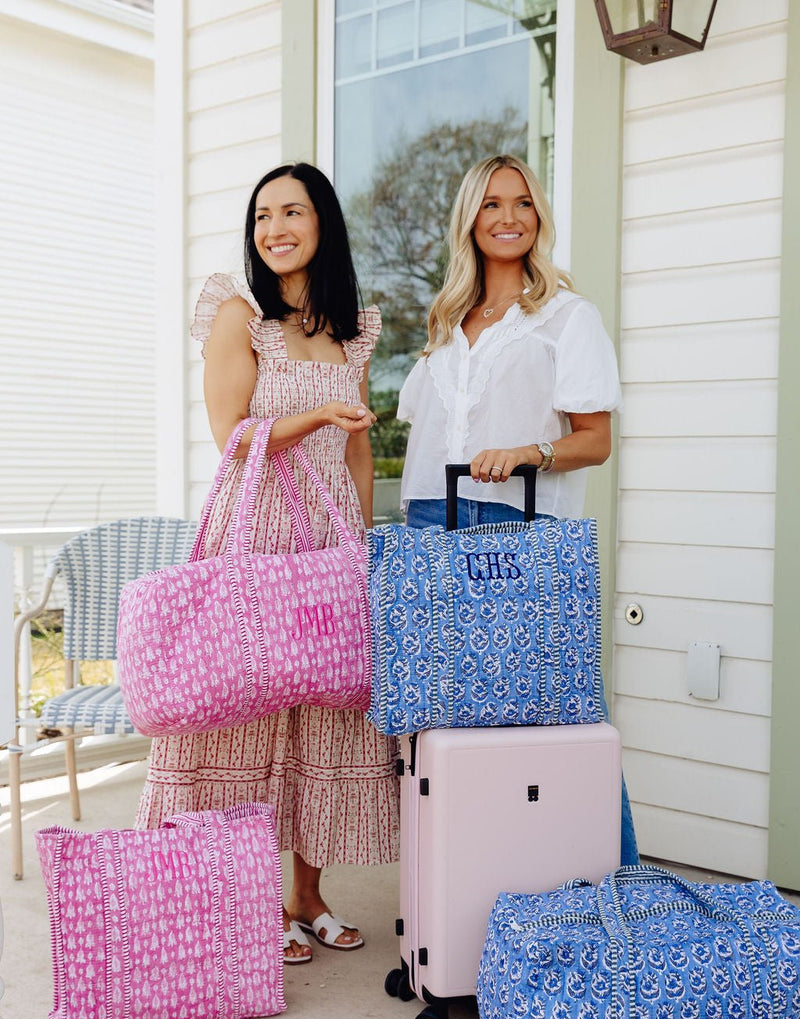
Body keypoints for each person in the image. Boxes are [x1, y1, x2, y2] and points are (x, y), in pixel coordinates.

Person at [135, 162, 400, 962]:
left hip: (326, 541)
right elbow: (232, 437)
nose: (274, 229)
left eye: (292, 212)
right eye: (261, 216)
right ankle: (247, 903)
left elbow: (357, 455)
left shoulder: (352, 328)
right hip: (255, 531)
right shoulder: (236, 315)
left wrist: (360, 540)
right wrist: (316, 411)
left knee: (318, 714)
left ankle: (307, 896)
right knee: (242, 712)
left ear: (323, 222)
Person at [397, 153, 638, 866]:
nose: (508, 217)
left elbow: (595, 441)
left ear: (539, 218)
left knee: (558, 712)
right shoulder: (445, 325)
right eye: (492, 203)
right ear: (469, 219)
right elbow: (424, 440)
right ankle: (464, 894)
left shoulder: (566, 318)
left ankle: (608, 892)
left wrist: (532, 450)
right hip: (428, 530)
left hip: (518, 531)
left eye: (523, 203)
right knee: (441, 721)